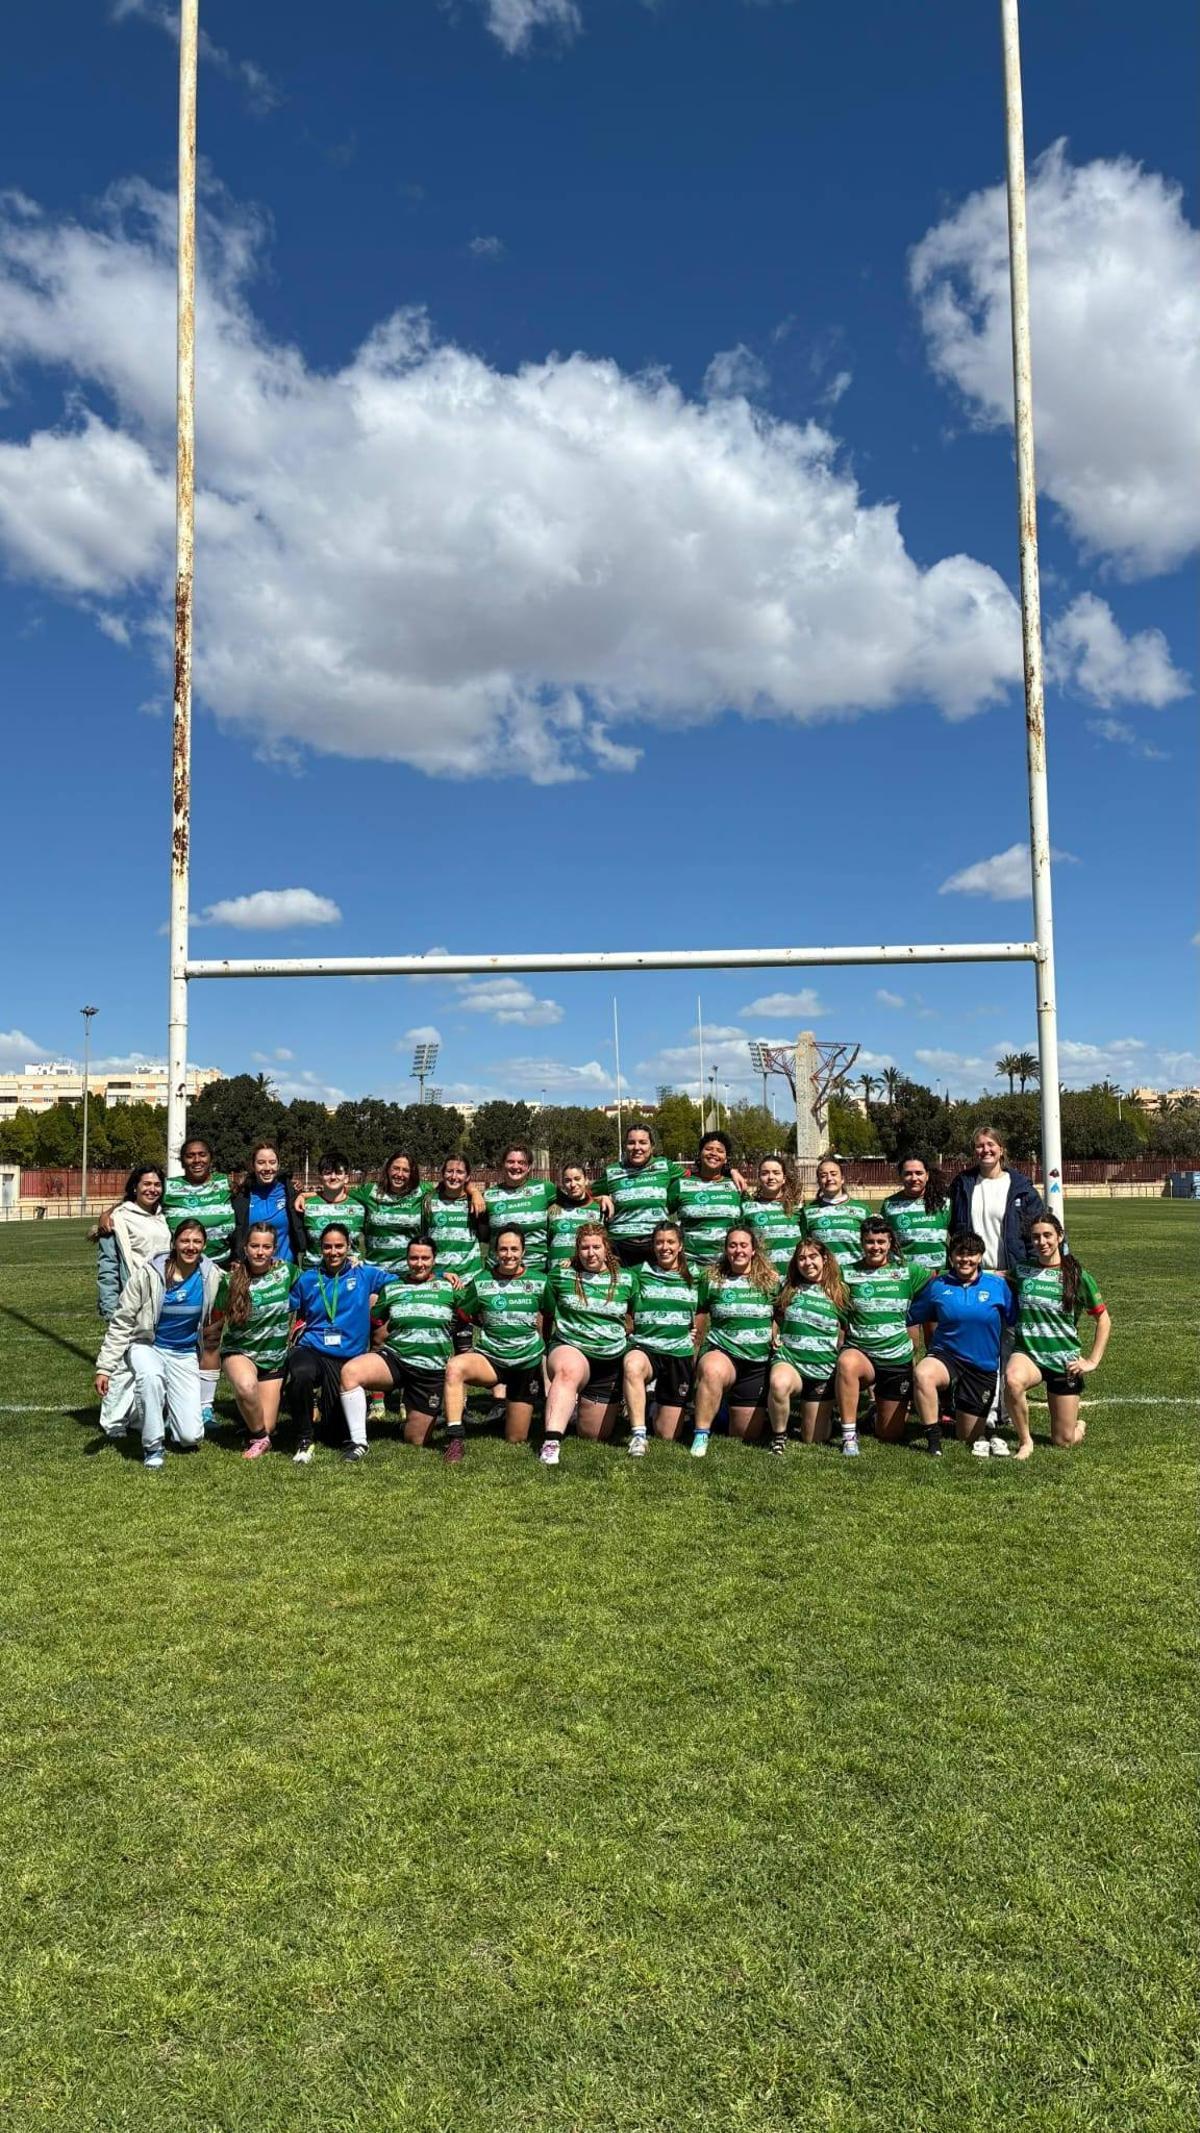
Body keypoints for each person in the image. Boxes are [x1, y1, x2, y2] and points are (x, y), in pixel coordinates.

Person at [94, 1219, 222, 1470]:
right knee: (151, 1377)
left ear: (204, 1245)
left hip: (184, 1353)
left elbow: (240, 1290)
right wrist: (105, 1367)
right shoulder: (149, 1273)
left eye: (197, 1241)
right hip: (148, 1346)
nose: (190, 1246)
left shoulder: (211, 1275)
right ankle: (153, 1446)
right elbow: (122, 1320)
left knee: (190, 1437)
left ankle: (168, 1417)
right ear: (174, 1243)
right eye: (185, 1241)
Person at [948, 1125, 1046, 1447]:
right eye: (979, 1145)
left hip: (1008, 1277)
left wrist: (1018, 1273)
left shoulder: (1020, 1187)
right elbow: (953, 1228)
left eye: (991, 1145)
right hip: (973, 1276)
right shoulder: (963, 1184)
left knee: (1008, 1343)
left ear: (1001, 1149)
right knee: (978, 1344)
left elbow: (1034, 1232)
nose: (985, 1150)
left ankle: (1003, 1407)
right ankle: (982, 1407)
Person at [338, 1236, 459, 1454]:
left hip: (430, 1371)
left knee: (415, 1440)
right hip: (396, 1359)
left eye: (425, 1258)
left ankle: (411, 1417)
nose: (419, 1263)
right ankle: (358, 1442)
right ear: (406, 1259)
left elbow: (472, 1313)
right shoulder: (393, 1288)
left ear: (434, 1259)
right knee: (350, 1372)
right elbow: (375, 1319)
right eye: (413, 1258)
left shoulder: (450, 1287)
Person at [1005, 1213, 1110, 1457]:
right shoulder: (1022, 1270)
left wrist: (1092, 1361)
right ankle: (1025, 1441)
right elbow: (994, 1276)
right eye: (1036, 1237)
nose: (1041, 1242)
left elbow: (1103, 1319)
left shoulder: (1077, 1276)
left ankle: (1078, 1426)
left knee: (1064, 1440)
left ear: (1059, 1236)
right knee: (1012, 1380)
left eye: (1047, 1235)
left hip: (1064, 1361)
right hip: (1028, 1354)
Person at [906, 1230, 1018, 1458]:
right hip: (946, 1356)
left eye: (972, 1254)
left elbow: (1016, 1319)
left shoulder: (997, 1285)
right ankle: (933, 1439)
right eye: (959, 1254)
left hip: (982, 1365)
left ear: (980, 1257)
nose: (965, 1259)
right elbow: (910, 1315)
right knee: (923, 1374)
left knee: (967, 1436)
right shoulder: (938, 1285)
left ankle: (967, 1416)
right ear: (951, 1257)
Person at [284, 1224, 390, 1464]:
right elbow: (283, 1303)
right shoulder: (308, 1279)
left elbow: (405, 1280)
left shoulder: (364, 1274)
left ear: (349, 1246)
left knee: (335, 1434)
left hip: (347, 1358)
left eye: (339, 1246)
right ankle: (304, 1438)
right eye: (327, 1247)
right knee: (301, 1373)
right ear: (320, 1248)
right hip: (312, 1348)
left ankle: (326, 1414)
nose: (333, 1252)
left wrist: (441, 1277)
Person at [443, 1227, 547, 1456]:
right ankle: (455, 1437)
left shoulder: (540, 1281)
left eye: (514, 1249)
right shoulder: (482, 1281)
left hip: (526, 1362)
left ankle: (508, 1411)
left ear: (523, 1251)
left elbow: (549, 1312)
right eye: (503, 1249)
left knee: (516, 1438)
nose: (508, 1255)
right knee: (455, 1367)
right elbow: (464, 1312)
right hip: (491, 1359)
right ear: (495, 1252)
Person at [540, 1223, 636, 1464]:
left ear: (606, 1248)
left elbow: (637, 1316)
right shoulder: (560, 1275)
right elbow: (547, 1312)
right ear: (577, 1249)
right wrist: (545, 1345)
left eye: (596, 1247)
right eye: (584, 1248)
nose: (590, 1253)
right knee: (568, 1370)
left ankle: (571, 1407)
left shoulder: (627, 1279)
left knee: (592, 1434)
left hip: (609, 1358)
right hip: (570, 1346)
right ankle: (551, 1442)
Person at [834, 1217, 924, 1456]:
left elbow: (940, 1281)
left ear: (890, 1242)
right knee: (846, 1362)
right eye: (869, 1242)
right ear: (861, 1243)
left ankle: (875, 1415)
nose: (875, 1247)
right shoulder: (847, 1273)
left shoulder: (907, 1271)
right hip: (862, 1353)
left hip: (896, 1357)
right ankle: (849, 1436)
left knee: (889, 1434)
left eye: (881, 1242)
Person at [690, 1225, 780, 1458]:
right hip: (723, 1351)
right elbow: (701, 1311)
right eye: (732, 1245)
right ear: (725, 1249)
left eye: (743, 1245)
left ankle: (720, 1408)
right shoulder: (712, 1279)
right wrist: (694, 1347)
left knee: (743, 1432)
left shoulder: (771, 1280)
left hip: (756, 1361)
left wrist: (777, 1333)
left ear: (753, 1250)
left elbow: (779, 1314)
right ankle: (701, 1433)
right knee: (712, 1370)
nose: (738, 1250)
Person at [207, 1220, 294, 1458]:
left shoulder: (286, 1272)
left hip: (274, 1358)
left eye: (266, 1247)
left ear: (274, 1249)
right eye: (254, 1246)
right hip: (240, 1351)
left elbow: (315, 1284)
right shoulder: (230, 1280)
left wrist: (352, 1264)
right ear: (245, 1248)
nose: (260, 1252)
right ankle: (259, 1438)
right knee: (246, 1386)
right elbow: (214, 1317)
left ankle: (257, 1427)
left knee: (268, 1425)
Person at [623, 1221, 701, 1454]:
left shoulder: (697, 1274)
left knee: (667, 1434)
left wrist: (696, 1331)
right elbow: (610, 1276)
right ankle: (638, 1435)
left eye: (670, 1242)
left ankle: (651, 1402)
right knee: (632, 1365)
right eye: (659, 1242)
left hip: (678, 1352)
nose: (664, 1247)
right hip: (645, 1348)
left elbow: (707, 1305)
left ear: (680, 1246)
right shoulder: (638, 1272)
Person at [768, 1236, 846, 1451]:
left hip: (822, 1368)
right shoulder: (788, 1286)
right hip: (790, 1360)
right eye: (801, 1258)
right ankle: (779, 1436)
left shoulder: (838, 1291)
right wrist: (773, 1334)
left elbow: (848, 1328)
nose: (807, 1263)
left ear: (824, 1259)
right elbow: (774, 1314)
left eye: (813, 1257)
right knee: (779, 1383)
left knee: (813, 1439)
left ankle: (829, 1414)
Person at [597, 1124, 684, 1267]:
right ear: (625, 1146)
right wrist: (601, 1198)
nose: (637, 1147)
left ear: (652, 1146)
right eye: (631, 1143)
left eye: (643, 1142)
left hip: (656, 1246)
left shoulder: (664, 1166)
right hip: (619, 1246)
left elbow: (692, 1178)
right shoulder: (612, 1171)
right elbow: (584, 1195)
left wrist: (729, 1172)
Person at [668, 1132, 744, 1274]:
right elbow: (659, 1212)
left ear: (726, 1159)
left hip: (727, 1268)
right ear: (700, 1154)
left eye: (720, 1151)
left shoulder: (736, 1186)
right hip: (689, 1267)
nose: (713, 1153)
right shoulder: (681, 1184)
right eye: (708, 1149)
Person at [481, 1144, 556, 1278]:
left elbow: (575, 1197)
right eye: (510, 1162)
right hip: (497, 1275)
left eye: (521, 1162)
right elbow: (482, 1234)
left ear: (529, 1167)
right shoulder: (488, 1196)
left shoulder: (545, 1189)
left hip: (537, 1273)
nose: (516, 1166)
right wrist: (473, 1191)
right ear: (502, 1164)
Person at [161, 1136, 237, 1267]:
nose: (197, 1160)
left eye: (202, 1155)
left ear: (210, 1159)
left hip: (223, 1264)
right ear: (182, 1162)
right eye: (190, 1156)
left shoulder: (225, 1184)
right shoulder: (168, 1188)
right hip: (181, 1267)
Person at [355, 1148, 431, 1274]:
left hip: (410, 1272)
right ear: (388, 1169)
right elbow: (340, 1195)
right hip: (375, 1272)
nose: (399, 1174)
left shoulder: (422, 1191)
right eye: (396, 1168)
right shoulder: (369, 1191)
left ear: (412, 1174)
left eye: (405, 1170)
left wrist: (470, 1193)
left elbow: (449, 1189)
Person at [231, 1139, 305, 1265]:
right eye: (261, 1162)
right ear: (253, 1166)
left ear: (278, 1165)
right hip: (252, 1269)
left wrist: (303, 1195)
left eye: (272, 1162)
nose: (267, 1168)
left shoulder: (290, 1191)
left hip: (285, 1269)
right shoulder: (242, 1195)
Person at [880, 1156, 951, 1278]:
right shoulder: (889, 1204)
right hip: (904, 1276)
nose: (914, 1178)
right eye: (908, 1174)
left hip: (939, 1276)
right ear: (900, 1176)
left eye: (919, 1173)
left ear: (927, 1176)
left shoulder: (944, 1203)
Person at [420, 1154, 487, 1283]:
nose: (454, 1176)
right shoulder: (428, 1201)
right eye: (449, 1171)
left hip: (469, 1278)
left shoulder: (475, 1202)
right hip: (439, 1277)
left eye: (460, 1172)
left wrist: (475, 1192)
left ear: (468, 1177)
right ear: (442, 1174)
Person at [800, 1157, 872, 1272]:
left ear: (842, 1179)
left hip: (857, 1275)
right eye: (823, 1176)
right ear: (819, 1181)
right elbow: (804, 1248)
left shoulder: (862, 1210)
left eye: (833, 1174)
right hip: (823, 1276)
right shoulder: (808, 1212)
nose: (829, 1178)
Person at [298, 1149, 367, 1266]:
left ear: (346, 1177)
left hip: (350, 1273)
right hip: (314, 1272)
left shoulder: (360, 1206)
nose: (333, 1177)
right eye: (328, 1173)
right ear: (320, 1177)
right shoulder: (305, 1205)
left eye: (338, 1173)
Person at [742, 1156, 804, 1281]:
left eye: (776, 1173)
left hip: (794, 1280)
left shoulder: (797, 1207)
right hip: (762, 1279)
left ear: (784, 1178)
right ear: (759, 1177)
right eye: (765, 1173)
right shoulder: (748, 1207)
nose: (771, 1177)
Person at [547, 1161, 601, 1272]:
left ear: (586, 1180)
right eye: (567, 1180)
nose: (572, 1184)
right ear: (563, 1184)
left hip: (586, 1275)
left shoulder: (599, 1208)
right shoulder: (553, 1209)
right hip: (556, 1274)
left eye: (577, 1179)